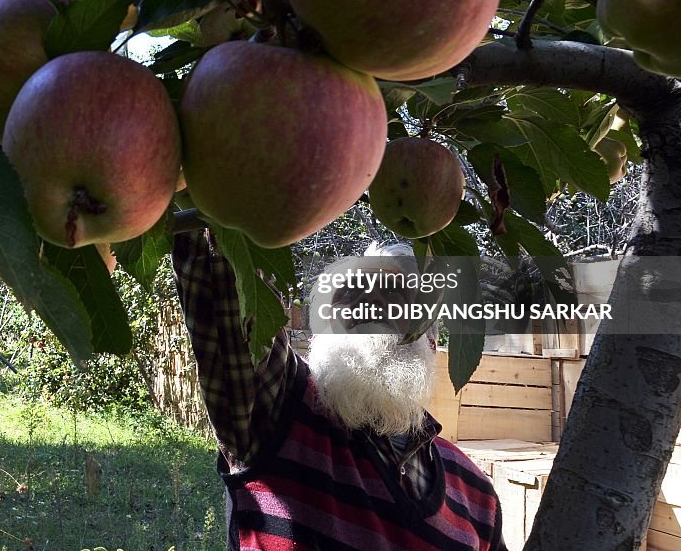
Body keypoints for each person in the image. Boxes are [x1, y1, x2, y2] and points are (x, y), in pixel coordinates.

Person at [172, 229, 506, 551]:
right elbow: (226, 272)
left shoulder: (475, 490)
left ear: (430, 340)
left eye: (394, 292)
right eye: (349, 293)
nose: (370, 302)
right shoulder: (279, 407)